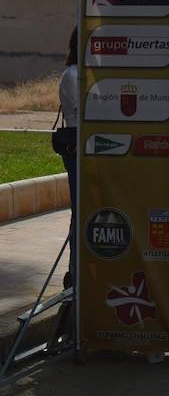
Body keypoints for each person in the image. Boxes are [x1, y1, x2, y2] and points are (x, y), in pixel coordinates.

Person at [57, 27, 78, 281]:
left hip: (89, 148)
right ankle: (75, 270)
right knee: (81, 209)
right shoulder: (73, 76)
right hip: (77, 149)